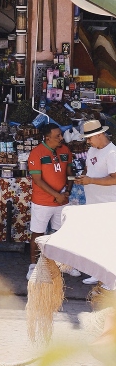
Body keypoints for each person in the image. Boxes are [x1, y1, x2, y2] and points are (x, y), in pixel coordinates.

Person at [26, 123, 73, 281]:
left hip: (62, 200)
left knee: (59, 233)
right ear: (47, 138)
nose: (61, 138)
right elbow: (37, 180)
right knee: (38, 233)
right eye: (57, 136)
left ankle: (61, 264)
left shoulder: (65, 150)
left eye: (61, 135)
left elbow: (70, 173)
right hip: (42, 201)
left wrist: (67, 192)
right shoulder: (36, 153)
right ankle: (33, 266)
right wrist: (56, 195)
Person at [75, 118, 116, 284]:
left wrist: (90, 181)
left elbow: (114, 179)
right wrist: (84, 177)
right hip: (93, 203)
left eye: (89, 138)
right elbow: (89, 167)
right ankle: (99, 274)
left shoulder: (112, 153)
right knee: (97, 240)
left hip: (107, 204)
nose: (88, 141)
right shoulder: (93, 150)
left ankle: (111, 279)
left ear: (99, 135)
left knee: (109, 241)